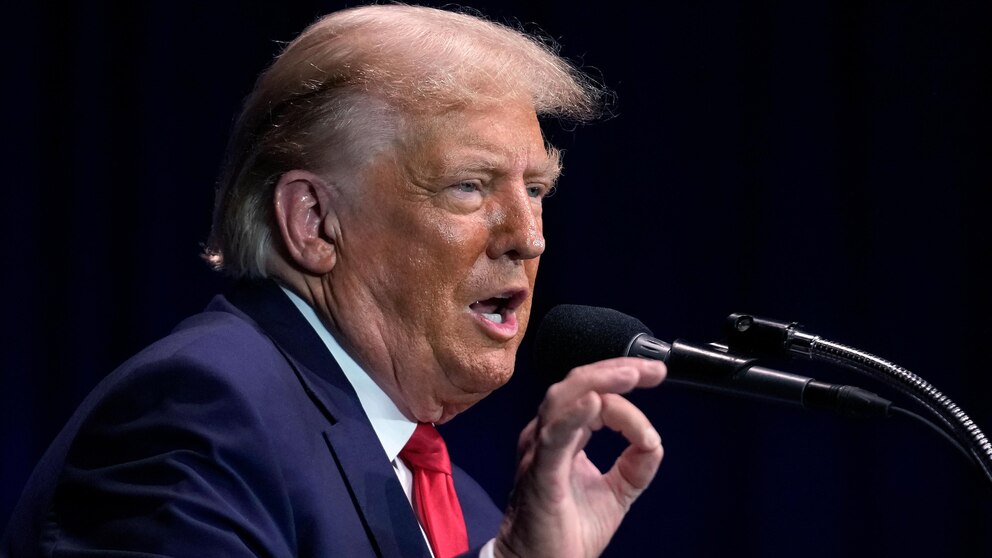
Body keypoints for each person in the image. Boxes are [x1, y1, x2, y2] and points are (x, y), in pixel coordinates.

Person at [2, 4, 666, 557]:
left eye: (536, 189)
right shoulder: (201, 416)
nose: (529, 237)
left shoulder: (466, 510)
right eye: (469, 186)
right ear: (315, 222)